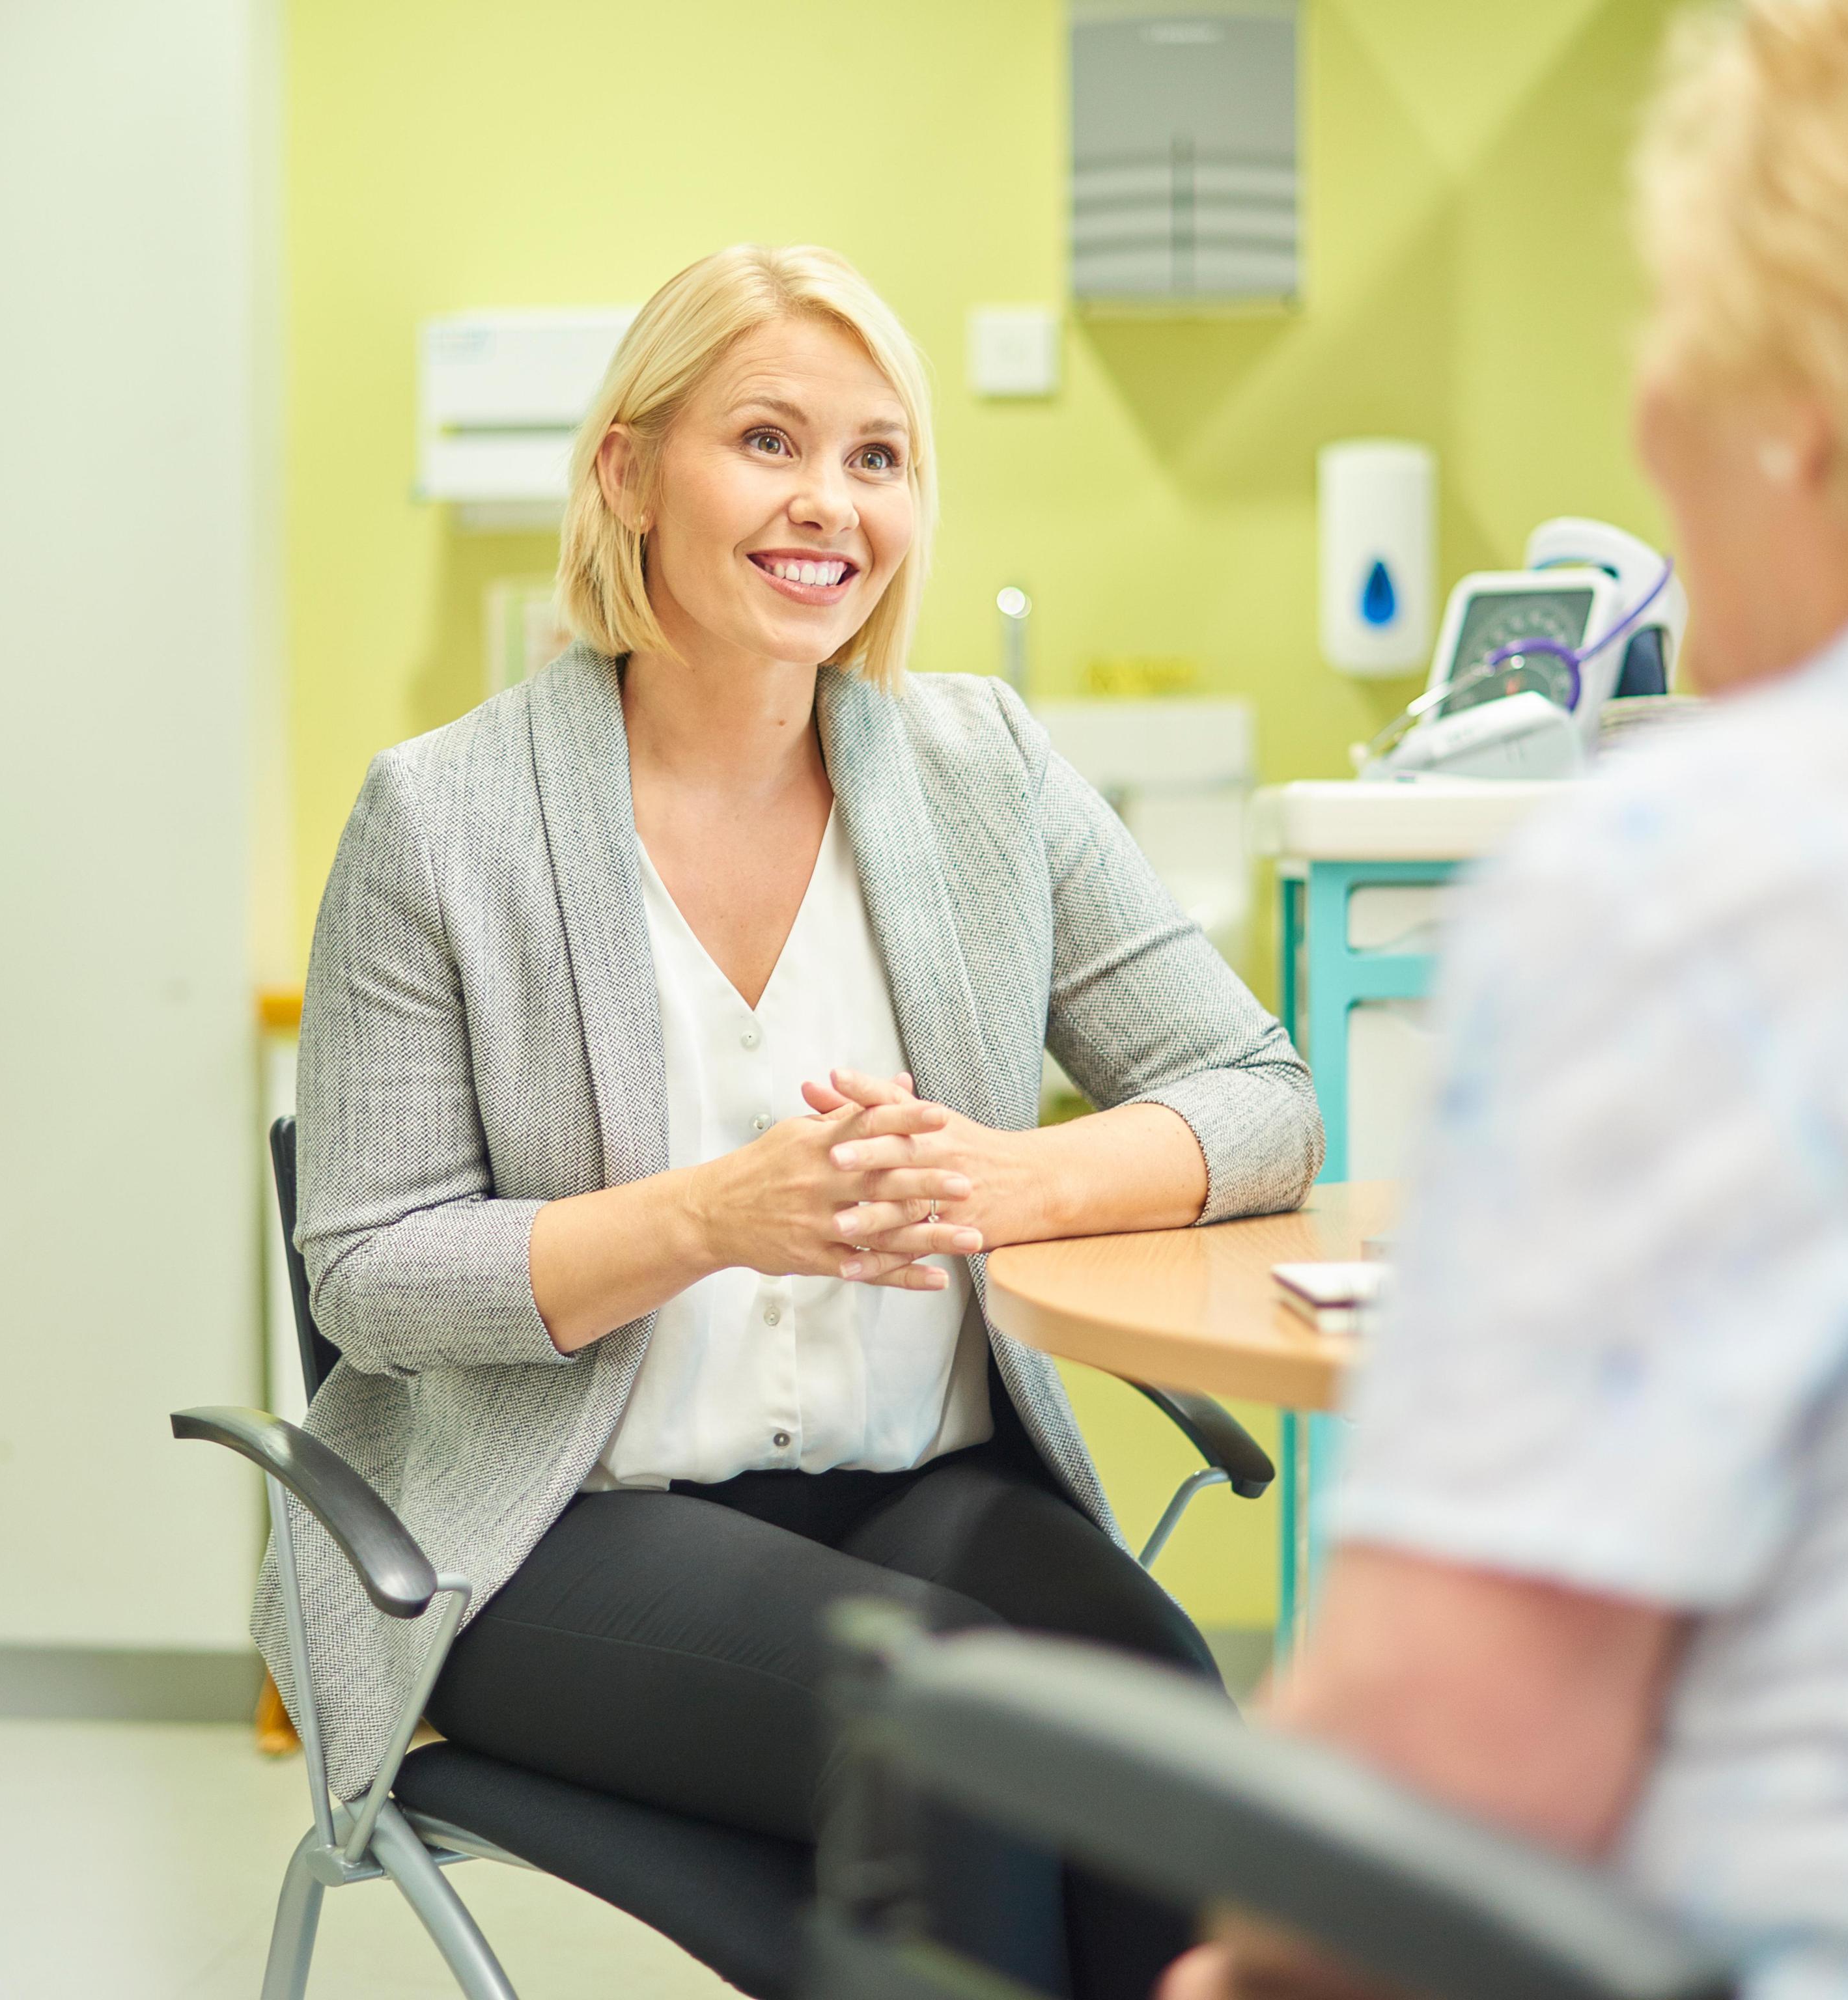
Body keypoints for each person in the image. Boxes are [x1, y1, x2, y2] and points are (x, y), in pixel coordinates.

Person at [1166, 1, 1848, 1996]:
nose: (1651, 421)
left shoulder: (1705, 882)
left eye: (1672, 327)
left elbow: (1424, 1811)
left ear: (1800, 391)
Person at [263, 244, 1323, 1999]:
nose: (828, 502)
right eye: (768, 440)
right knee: (944, 1737)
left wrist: (1016, 1178)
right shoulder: (442, 819)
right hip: (552, 1528)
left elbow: (1260, 1096)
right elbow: (369, 1275)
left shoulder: (984, 774)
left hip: (920, 1482)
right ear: (627, 471)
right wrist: (711, 1216)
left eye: (878, 457)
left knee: (1158, 1729)